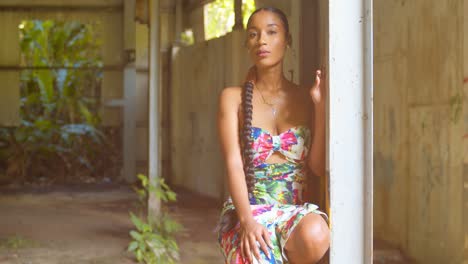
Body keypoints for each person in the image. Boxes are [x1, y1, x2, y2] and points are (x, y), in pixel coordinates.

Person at [216, 6, 330, 264]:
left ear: (287, 40)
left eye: (271, 32)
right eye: (254, 34)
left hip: (295, 213)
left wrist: (320, 108)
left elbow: (317, 166)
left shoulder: (305, 97)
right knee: (254, 255)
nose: (262, 41)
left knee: (317, 234)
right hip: (249, 210)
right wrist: (247, 221)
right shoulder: (231, 98)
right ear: (247, 43)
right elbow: (233, 164)